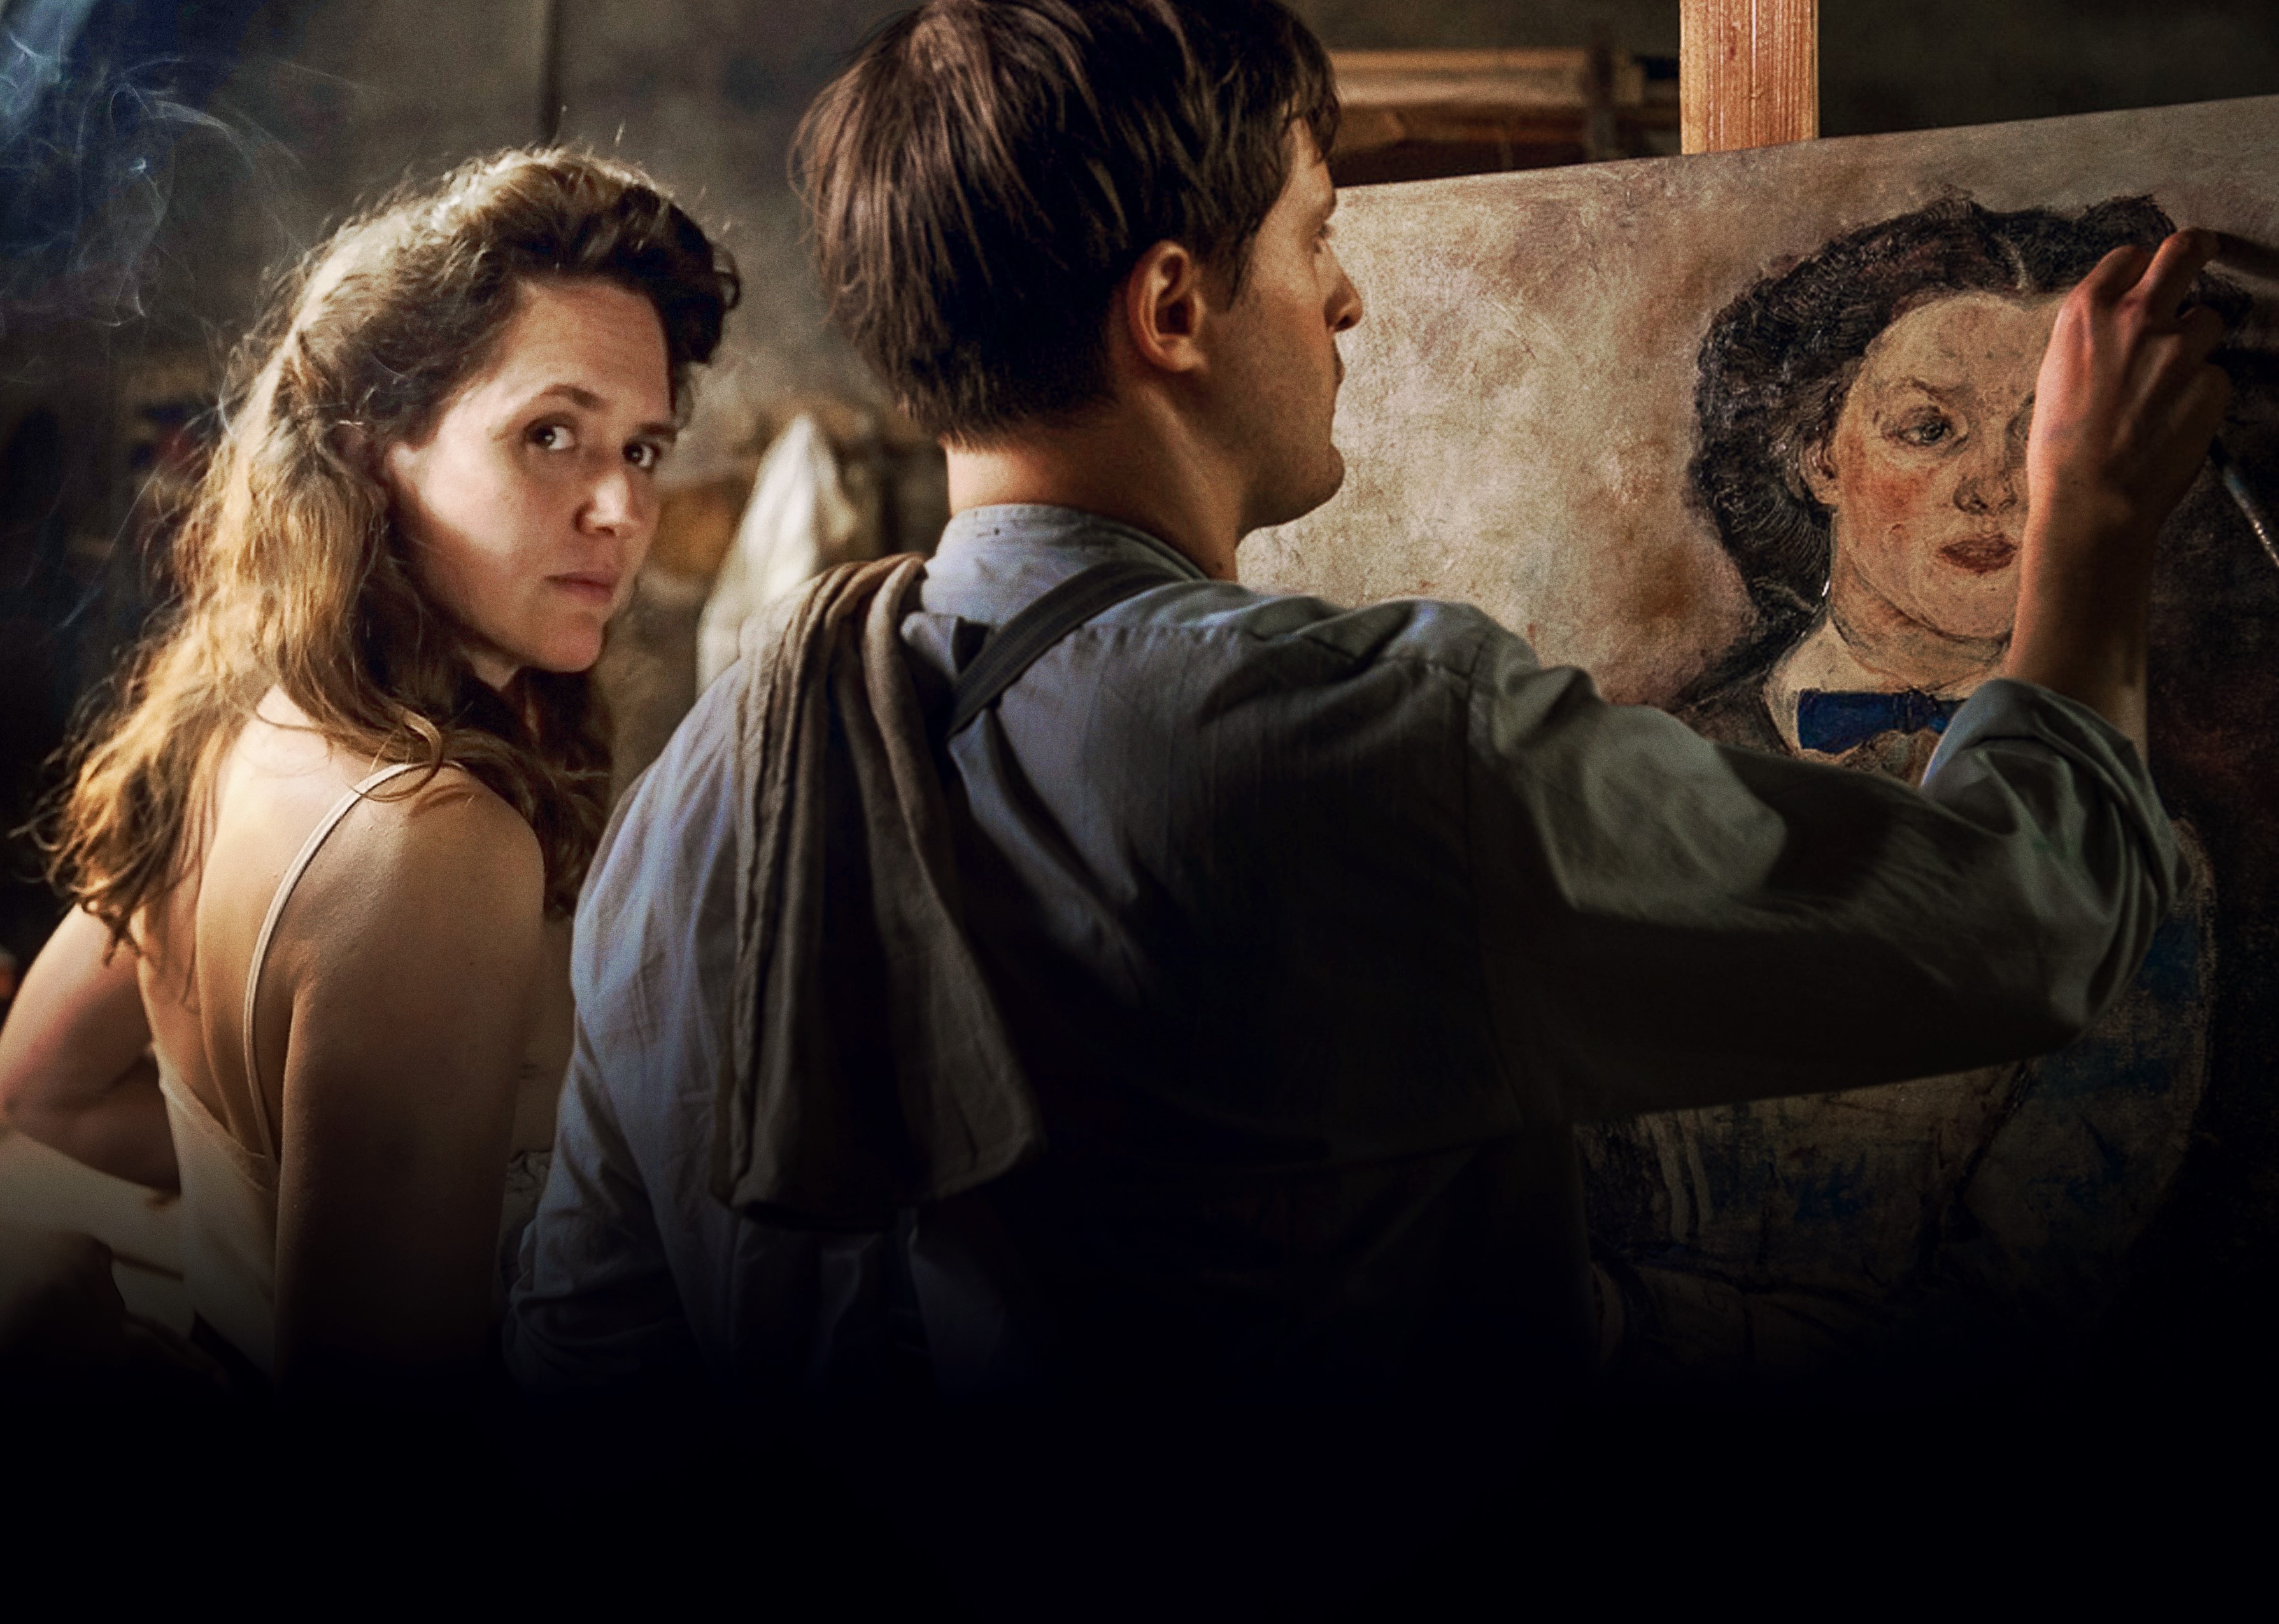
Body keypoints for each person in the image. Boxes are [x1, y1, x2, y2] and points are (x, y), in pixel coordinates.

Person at [507, 0, 2229, 1421]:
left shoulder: (701, 798)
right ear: (1172, 309)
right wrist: (2086, 529)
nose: (1342, 296)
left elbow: (587, 1358)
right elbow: (2028, 918)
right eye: (1312, 235)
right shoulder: (1360, 743)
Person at [0, 148, 736, 1390]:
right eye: (550, 434)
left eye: (645, 448)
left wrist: (278, 1222)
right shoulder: (434, 843)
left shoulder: (232, 731)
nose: (620, 506)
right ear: (372, 446)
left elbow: (40, 1095)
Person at [1577, 197, 2239, 1389]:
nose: (1993, 489)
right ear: (1817, 454)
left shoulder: (2148, 871)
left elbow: (2026, 1298)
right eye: (1930, 429)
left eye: (2045, 438)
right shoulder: (1622, 783)